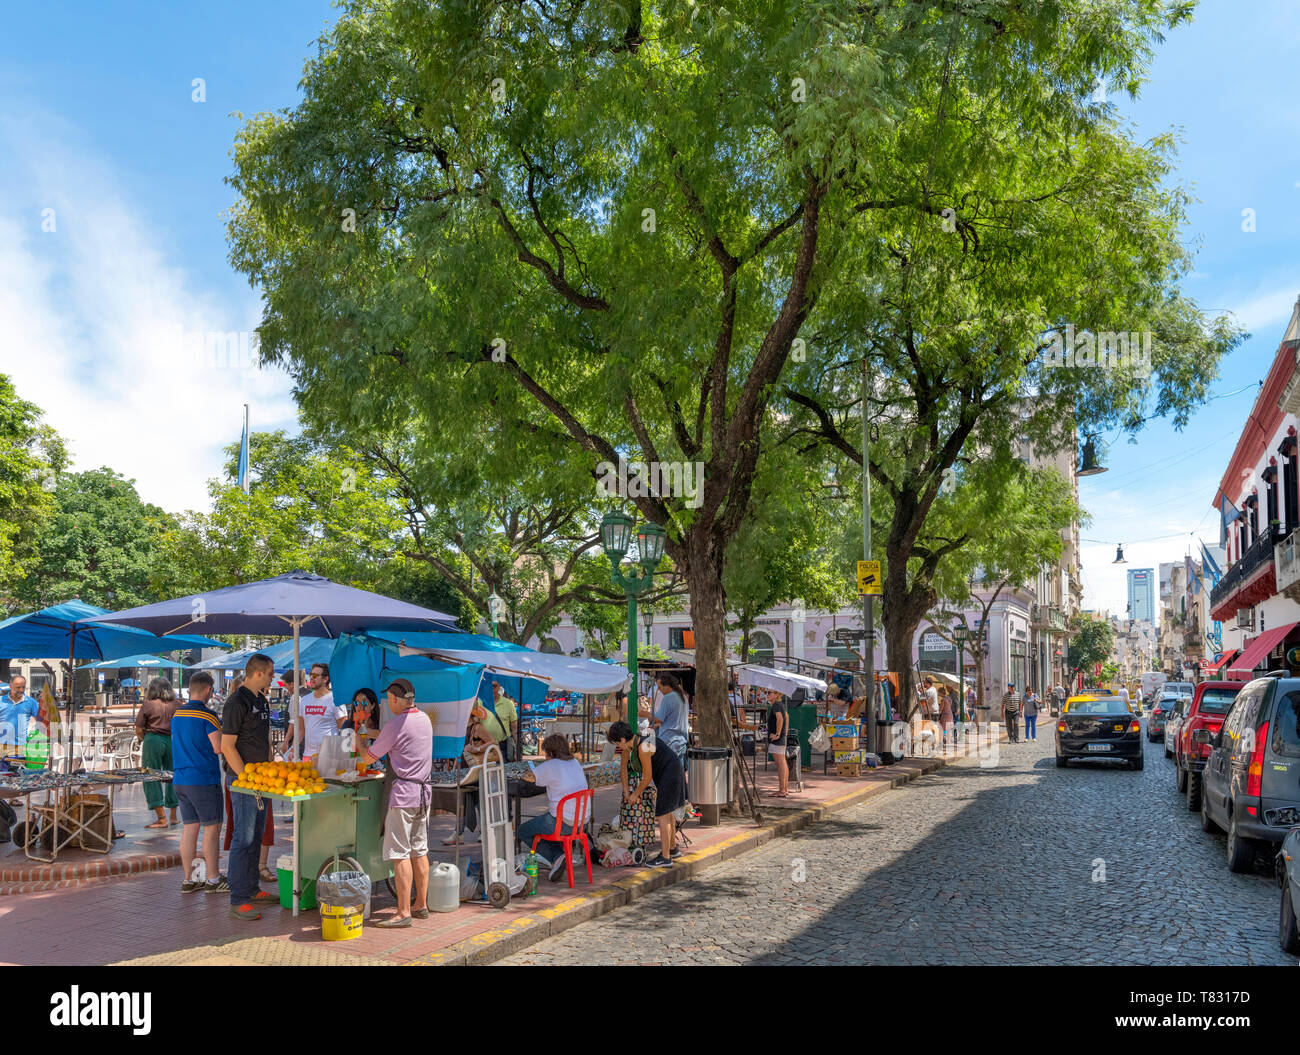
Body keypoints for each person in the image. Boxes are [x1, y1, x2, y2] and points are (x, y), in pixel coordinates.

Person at [359, 678, 433, 927]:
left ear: (394, 699)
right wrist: (372, 733)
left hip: (402, 795)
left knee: (400, 854)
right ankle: (421, 904)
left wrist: (359, 740)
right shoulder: (423, 719)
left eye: (389, 699)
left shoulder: (395, 724)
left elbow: (368, 759)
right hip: (423, 794)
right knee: (419, 849)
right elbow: (397, 738)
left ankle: (403, 912)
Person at [221, 654, 278, 921]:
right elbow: (227, 746)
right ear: (258, 673)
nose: (272, 678)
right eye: (270, 673)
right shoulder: (236, 702)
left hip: (262, 779)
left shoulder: (261, 700)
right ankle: (238, 899)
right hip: (243, 781)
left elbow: (264, 738)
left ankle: (252, 888)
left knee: (256, 835)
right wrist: (245, 777)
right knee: (242, 837)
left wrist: (271, 762)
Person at [171, 672, 226, 893]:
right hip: (203, 780)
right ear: (207, 690)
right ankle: (213, 879)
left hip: (181, 779)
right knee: (212, 829)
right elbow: (219, 747)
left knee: (190, 829)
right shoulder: (209, 716)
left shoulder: (177, 715)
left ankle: (189, 879)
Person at [607, 720, 685, 867]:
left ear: (622, 740)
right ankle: (673, 849)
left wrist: (635, 794)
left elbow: (647, 777)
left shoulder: (643, 746)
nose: (618, 747)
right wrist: (626, 792)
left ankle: (665, 857)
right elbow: (623, 769)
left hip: (671, 773)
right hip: (669, 771)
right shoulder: (632, 745)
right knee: (668, 813)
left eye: (617, 743)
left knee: (663, 815)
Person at [518, 733, 588, 882]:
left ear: (550, 752)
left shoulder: (552, 765)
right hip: (581, 822)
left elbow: (529, 777)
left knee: (523, 831)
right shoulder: (575, 763)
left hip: (562, 823)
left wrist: (523, 773)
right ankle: (559, 857)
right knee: (547, 819)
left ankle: (556, 857)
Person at [135, 677, 180, 828]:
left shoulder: (148, 704)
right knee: (173, 776)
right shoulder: (178, 704)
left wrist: (143, 739)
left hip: (152, 739)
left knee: (150, 775)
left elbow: (139, 729)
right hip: (172, 740)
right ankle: (173, 816)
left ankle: (161, 818)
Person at [298, 663, 346, 762]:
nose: (311, 678)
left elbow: (344, 730)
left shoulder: (336, 700)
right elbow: (301, 730)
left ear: (325, 679)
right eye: (310, 674)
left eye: (315, 675)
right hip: (308, 755)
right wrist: (293, 749)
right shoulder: (304, 700)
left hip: (329, 757)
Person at [651, 673, 689, 769]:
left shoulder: (668, 697)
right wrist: (659, 725)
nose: (659, 690)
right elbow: (674, 719)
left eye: (660, 687)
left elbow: (658, 718)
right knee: (678, 772)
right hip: (681, 741)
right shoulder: (683, 696)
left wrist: (644, 714)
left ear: (667, 686)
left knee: (669, 771)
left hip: (670, 741)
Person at [0, 675, 40, 763]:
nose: (21, 690)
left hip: (18, 747)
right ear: (10, 686)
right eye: (18, 687)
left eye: (23, 687)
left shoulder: (31, 702)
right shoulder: (1, 701)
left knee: (15, 775)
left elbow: (41, 720)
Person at [767, 689, 790, 797]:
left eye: (769, 693)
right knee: (783, 763)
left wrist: (777, 734)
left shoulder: (776, 705)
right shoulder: (780, 705)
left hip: (777, 739)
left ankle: (782, 790)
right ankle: (784, 789)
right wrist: (784, 732)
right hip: (782, 738)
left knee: (780, 764)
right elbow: (786, 716)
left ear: (776, 695)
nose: (767, 695)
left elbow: (780, 718)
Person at [490, 681, 519, 762]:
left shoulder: (508, 704)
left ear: (499, 686)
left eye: (494, 686)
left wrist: (517, 750)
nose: (491, 689)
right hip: (483, 748)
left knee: (503, 773)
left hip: (502, 748)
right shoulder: (480, 703)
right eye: (488, 686)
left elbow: (515, 729)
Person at [938, 685, 955, 751]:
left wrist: (939, 716)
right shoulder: (949, 698)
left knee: (942, 728)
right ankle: (948, 742)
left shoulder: (943, 700)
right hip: (950, 714)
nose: (938, 694)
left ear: (941, 693)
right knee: (948, 729)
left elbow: (941, 709)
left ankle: (942, 742)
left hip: (945, 715)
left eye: (939, 692)